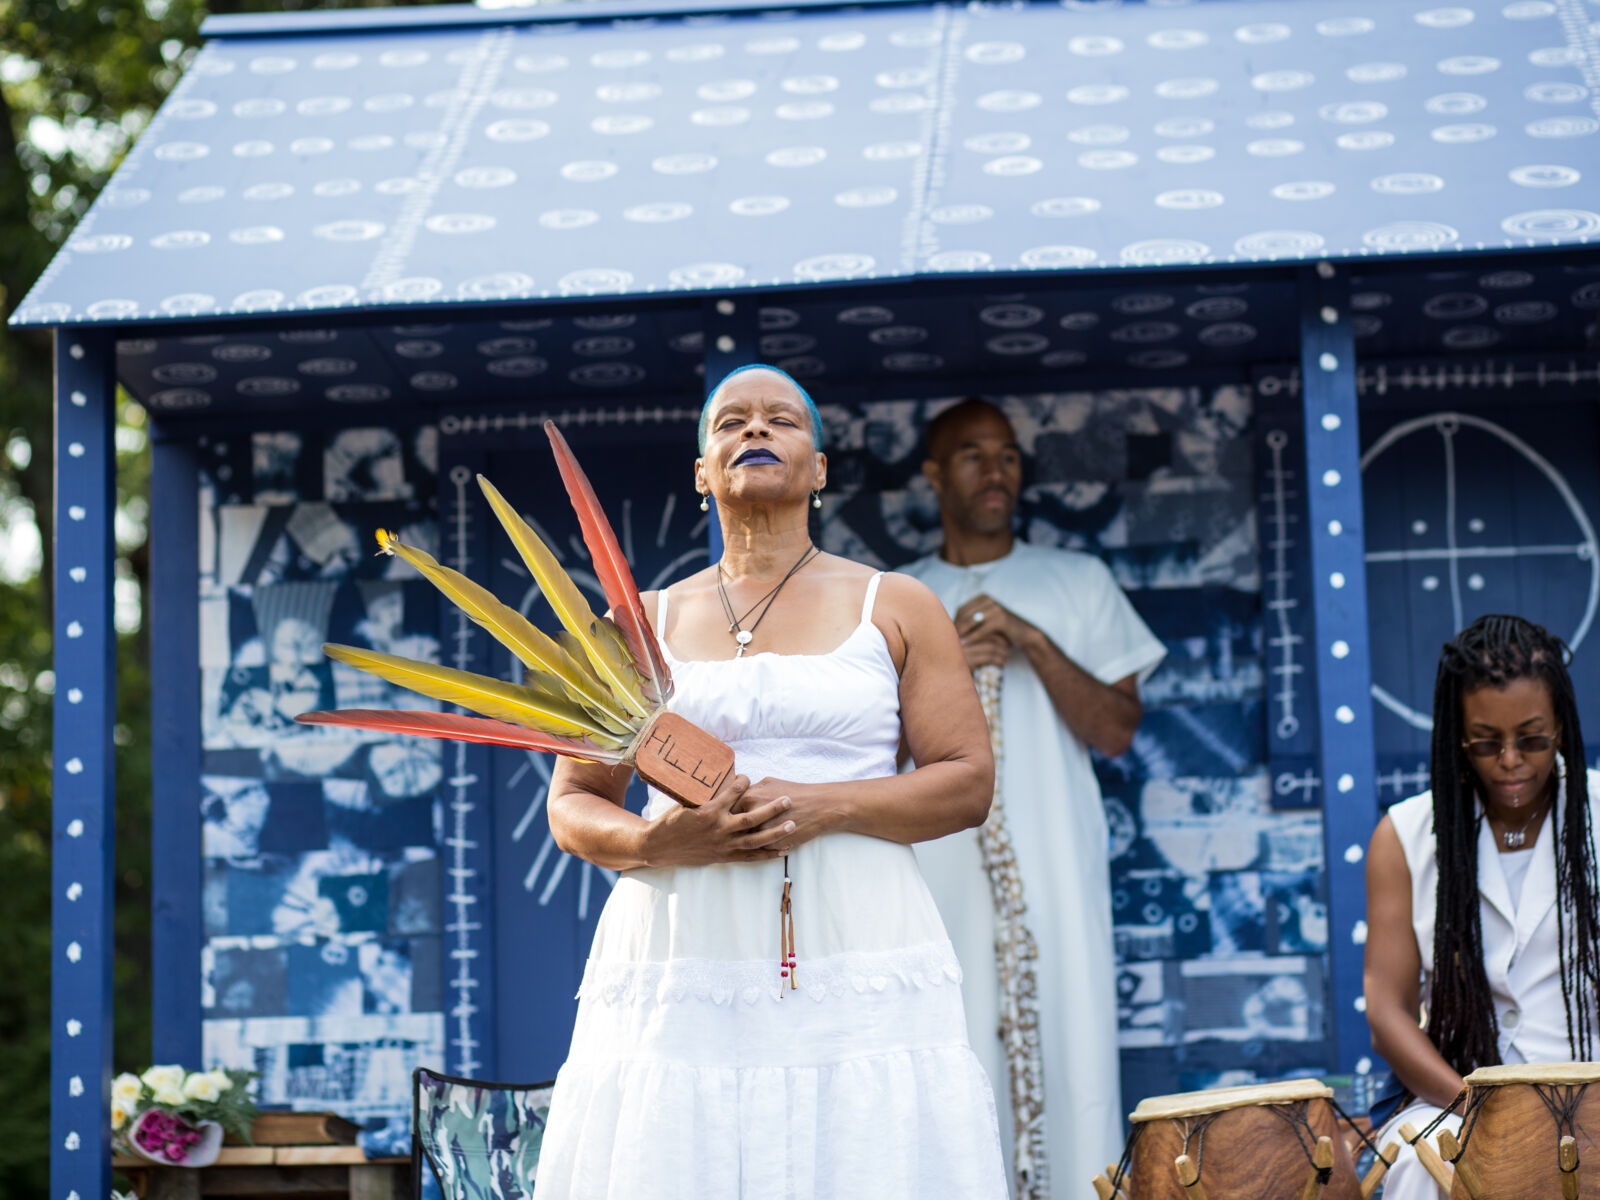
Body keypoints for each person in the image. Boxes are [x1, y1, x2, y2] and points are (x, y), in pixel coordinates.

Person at [535, 365, 1010, 1199]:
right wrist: (656, 840)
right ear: (701, 472)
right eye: (731, 423)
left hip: (857, 931)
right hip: (682, 948)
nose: (755, 431)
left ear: (819, 468)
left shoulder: (895, 605)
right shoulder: (634, 625)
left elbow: (967, 781)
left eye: (781, 420)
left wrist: (823, 806)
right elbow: (573, 807)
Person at [902, 398, 1165, 1197]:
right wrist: (945, 660)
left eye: (1009, 454)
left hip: (1054, 862)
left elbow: (1117, 729)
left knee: (1071, 1040)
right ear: (934, 475)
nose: (996, 470)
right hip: (935, 872)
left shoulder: (1075, 580)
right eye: (973, 454)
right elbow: (870, 757)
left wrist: (1032, 640)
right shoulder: (898, 598)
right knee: (945, 1047)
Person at [1364, 614, 1600, 1200]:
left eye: (1533, 737)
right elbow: (1386, 1011)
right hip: (1456, 1098)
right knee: (1420, 1166)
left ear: (1563, 729)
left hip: (1594, 1091)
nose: (1512, 759)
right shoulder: (1405, 835)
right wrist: (1477, 1106)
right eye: (1487, 742)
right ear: (1456, 737)